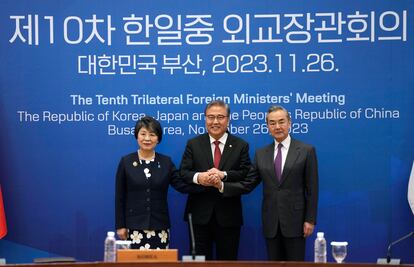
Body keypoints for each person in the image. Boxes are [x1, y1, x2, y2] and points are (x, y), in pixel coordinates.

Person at [225, 105, 319, 261]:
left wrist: (310, 219)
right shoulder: (261, 153)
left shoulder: (306, 150)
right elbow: (248, 183)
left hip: (296, 222)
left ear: (289, 123)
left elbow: (312, 188)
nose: (277, 127)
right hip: (271, 222)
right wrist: (222, 186)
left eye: (281, 122)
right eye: (272, 123)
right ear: (267, 126)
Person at [179, 100, 251, 260]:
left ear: (228, 119)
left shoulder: (241, 145)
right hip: (198, 215)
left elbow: (245, 173)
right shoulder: (194, 143)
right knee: (198, 261)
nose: (215, 122)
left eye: (220, 117)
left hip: (229, 215)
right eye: (211, 117)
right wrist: (199, 178)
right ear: (205, 118)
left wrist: (223, 175)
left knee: (228, 262)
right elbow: (183, 172)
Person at [115, 116, 199, 249]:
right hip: (134, 227)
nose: (147, 138)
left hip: (160, 227)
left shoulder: (166, 162)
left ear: (158, 138)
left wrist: (205, 184)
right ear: (137, 136)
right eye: (143, 134)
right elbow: (120, 197)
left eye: (152, 134)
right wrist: (120, 225)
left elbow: (181, 185)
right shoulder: (126, 162)